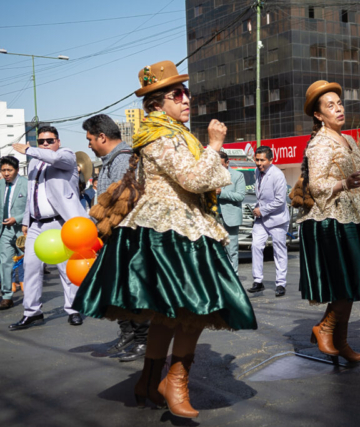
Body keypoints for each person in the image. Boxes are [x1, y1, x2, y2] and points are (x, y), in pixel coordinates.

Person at [71, 60, 257, 419]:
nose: (186, 99)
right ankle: (174, 382)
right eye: (177, 94)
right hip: (171, 229)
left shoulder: (174, 133)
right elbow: (194, 179)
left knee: (169, 316)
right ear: (157, 103)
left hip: (182, 224)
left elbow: (214, 179)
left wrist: (211, 158)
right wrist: (215, 145)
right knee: (193, 310)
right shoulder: (158, 135)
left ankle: (149, 381)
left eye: (186, 92)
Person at [297, 80, 360, 362]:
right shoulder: (319, 143)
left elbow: (357, 181)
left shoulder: (349, 140)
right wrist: (343, 183)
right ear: (318, 115)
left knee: (354, 278)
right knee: (348, 278)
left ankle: (339, 340)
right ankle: (325, 328)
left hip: (355, 213)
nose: (338, 108)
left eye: (339, 103)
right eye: (330, 106)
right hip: (334, 218)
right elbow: (317, 187)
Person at [9, 126, 89, 330]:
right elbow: (31, 194)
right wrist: (26, 221)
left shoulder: (66, 156)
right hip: (37, 224)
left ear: (58, 141)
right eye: (41, 141)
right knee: (30, 267)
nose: (45, 144)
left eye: (49, 140)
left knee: (65, 268)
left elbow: (54, 159)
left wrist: (28, 149)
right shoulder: (35, 163)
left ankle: (73, 309)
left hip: (59, 222)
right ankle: (32, 312)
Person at [84, 113, 148, 363]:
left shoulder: (122, 160)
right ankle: (128, 334)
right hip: (114, 235)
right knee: (117, 288)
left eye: (90, 139)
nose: (88, 144)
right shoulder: (112, 160)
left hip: (125, 235)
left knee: (132, 291)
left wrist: (101, 225)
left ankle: (142, 339)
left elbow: (123, 202)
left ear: (102, 136)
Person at [247, 146, 289, 297]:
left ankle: (280, 283)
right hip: (261, 219)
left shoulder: (277, 175)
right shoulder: (256, 172)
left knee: (279, 251)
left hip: (277, 219)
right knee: (256, 246)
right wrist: (258, 208)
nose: (258, 163)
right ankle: (258, 281)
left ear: (271, 160)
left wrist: (262, 209)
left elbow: (280, 200)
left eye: (262, 160)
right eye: (257, 160)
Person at [0, 156, 28, 310]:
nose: (6, 173)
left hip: (22, 229)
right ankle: (7, 296)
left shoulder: (26, 184)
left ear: (17, 170)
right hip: (4, 230)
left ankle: (31, 294)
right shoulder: (0, 185)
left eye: (9, 170)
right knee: (5, 262)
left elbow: (32, 207)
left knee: (29, 263)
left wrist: (16, 219)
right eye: (3, 170)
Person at [217, 150, 246, 274]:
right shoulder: (211, 176)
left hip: (230, 218)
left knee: (231, 249)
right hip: (214, 218)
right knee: (217, 249)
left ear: (227, 163)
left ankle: (234, 276)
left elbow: (240, 196)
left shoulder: (237, 176)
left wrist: (221, 193)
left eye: (221, 165)